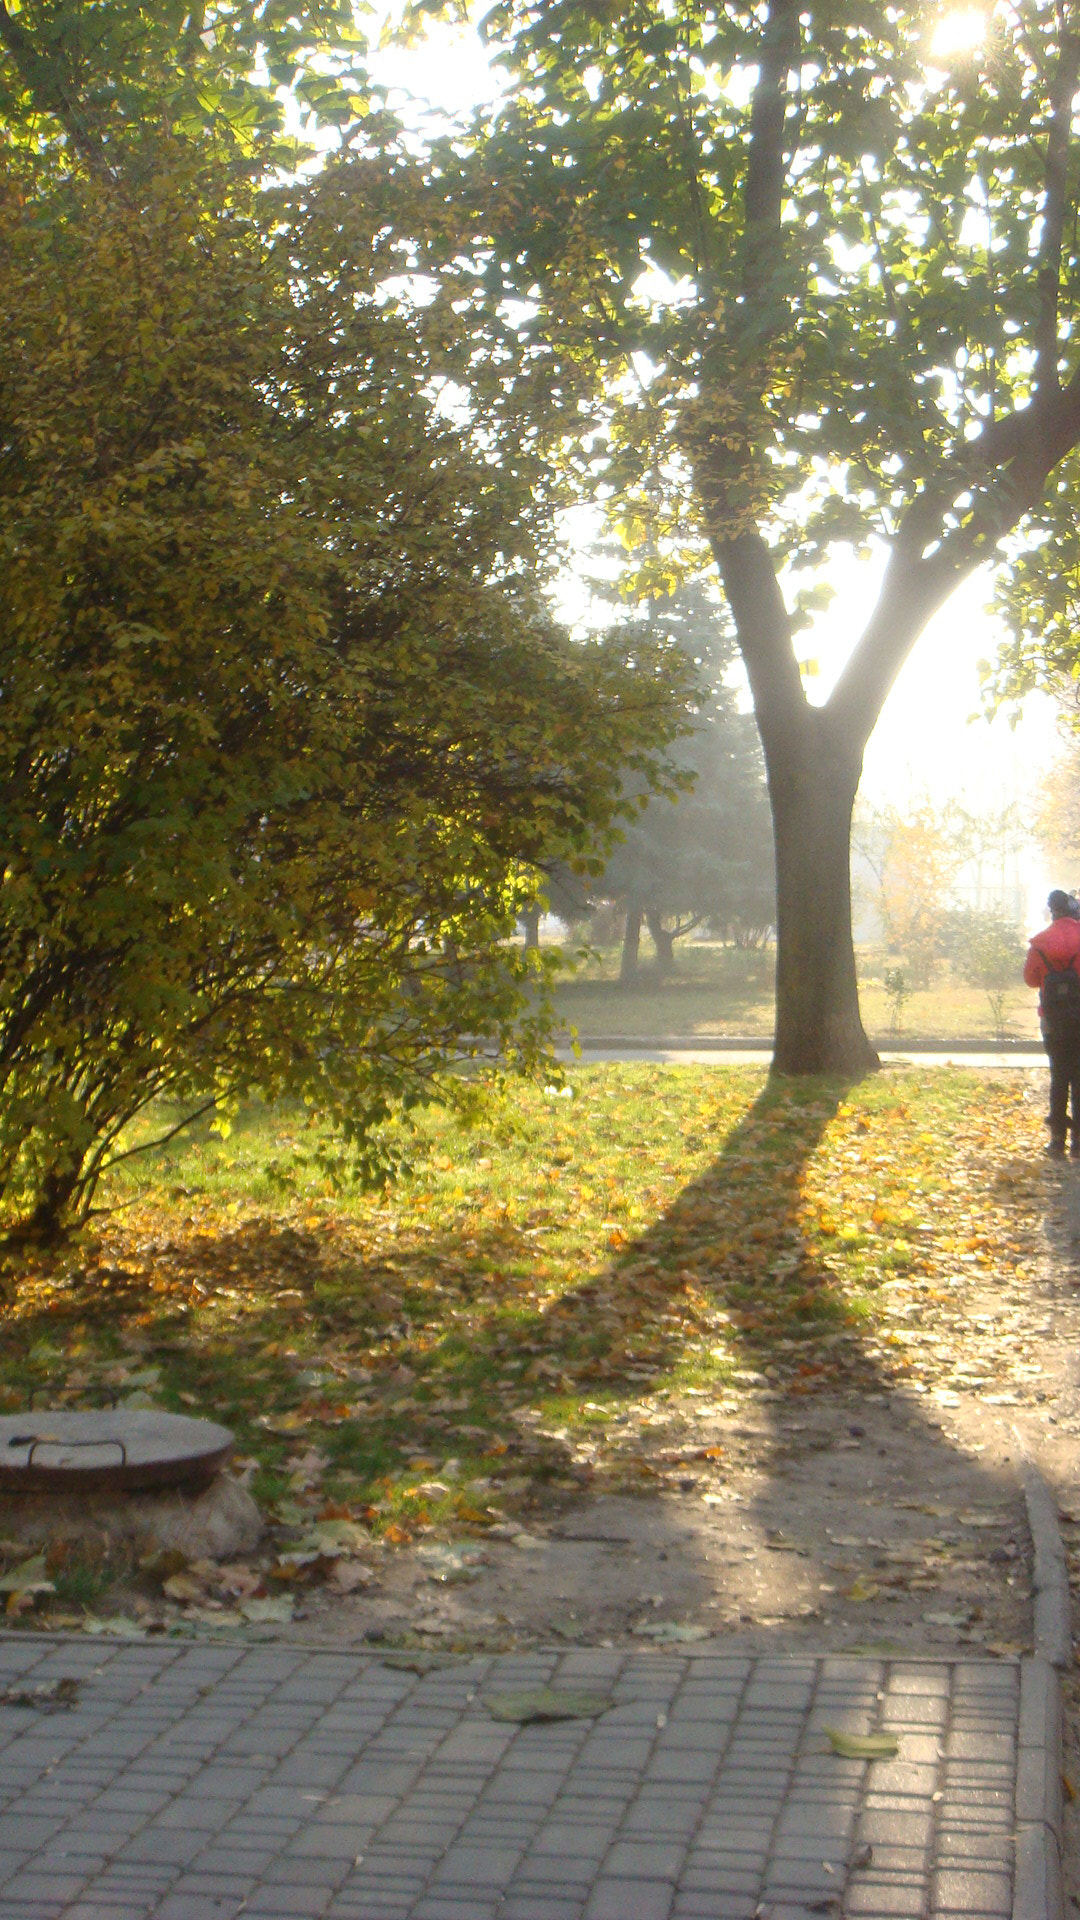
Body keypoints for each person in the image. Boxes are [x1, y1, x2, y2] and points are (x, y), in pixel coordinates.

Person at [1024, 889, 1080, 1155]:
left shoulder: (1041, 942)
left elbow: (1031, 979)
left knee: (1059, 1076)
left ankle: (1057, 1140)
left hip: (1053, 1020)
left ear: (1052, 911)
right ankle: (1079, 1144)